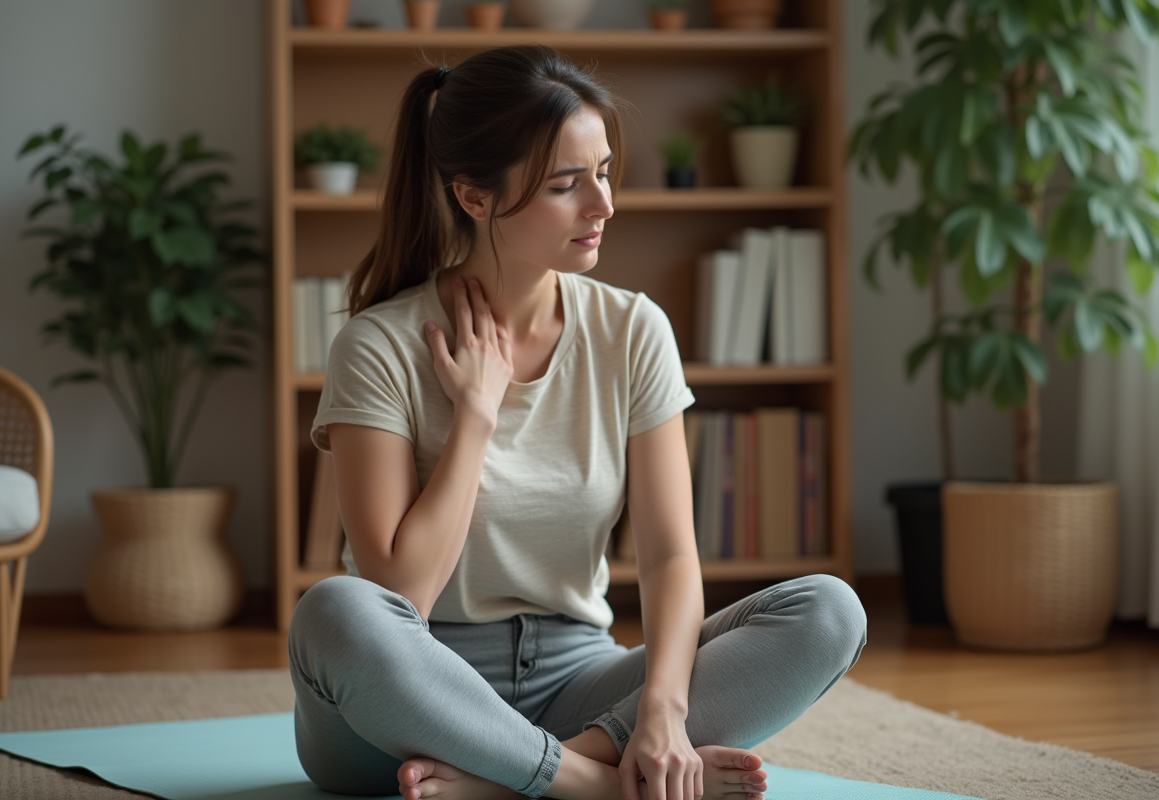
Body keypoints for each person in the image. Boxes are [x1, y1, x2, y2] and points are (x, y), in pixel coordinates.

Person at [288, 44, 867, 800]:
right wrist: (476, 415)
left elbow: (668, 559)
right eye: (566, 185)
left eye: (602, 172)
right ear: (474, 197)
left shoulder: (633, 330)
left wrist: (660, 713)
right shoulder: (379, 345)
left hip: (578, 680)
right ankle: (591, 785)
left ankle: (519, 776)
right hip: (406, 704)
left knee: (828, 610)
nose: (604, 205)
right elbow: (403, 594)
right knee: (336, 610)